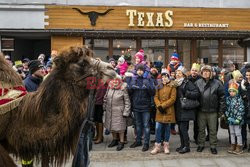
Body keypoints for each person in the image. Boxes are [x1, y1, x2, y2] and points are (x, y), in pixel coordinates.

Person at [195, 65, 225, 154]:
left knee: (213, 130)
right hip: (201, 111)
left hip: (213, 111)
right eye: (204, 71)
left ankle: (213, 146)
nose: (205, 73)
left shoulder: (217, 83)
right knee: (201, 129)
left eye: (207, 71)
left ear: (211, 72)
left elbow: (222, 97)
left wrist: (221, 111)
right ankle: (201, 144)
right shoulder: (198, 82)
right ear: (201, 73)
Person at [129, 64, 155, 152]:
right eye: (138, 70)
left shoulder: (148, 79)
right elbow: (130, 93)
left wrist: (148, 85)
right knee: (138, 125)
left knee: (146, 126)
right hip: (136, 106)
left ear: (144, 71)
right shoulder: (133, 79)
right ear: (136, 71)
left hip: (146, 106)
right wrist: (131, 87)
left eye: (141, 70)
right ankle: (138, 141)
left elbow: (153, 92)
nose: (140, 71)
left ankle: (146, 143)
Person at [175, 66, 200, 154]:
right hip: (178, 108)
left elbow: (196, 93)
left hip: (185, 109)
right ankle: (182, 145)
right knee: (180, 129)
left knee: (183, 129)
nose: (177, 74)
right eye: (176, 72)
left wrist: (187, 93)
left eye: (179, 72)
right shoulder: (176, 83)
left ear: (184, 75)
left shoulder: (187, 83)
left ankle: (187, 147)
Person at [151, 72, 176, 154]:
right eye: (163, 77)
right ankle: (157, 146)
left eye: (166, 77)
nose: (164, 78)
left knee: (167, 129)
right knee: (158, 128)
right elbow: (156, 97)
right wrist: (159, 105)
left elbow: (173, 99)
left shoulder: (172, 87)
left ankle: (166, 145)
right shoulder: (158, 86)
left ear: (168, 78)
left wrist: (163, 106)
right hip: (160, 111)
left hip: (168, 110)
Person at [103, 78, 131, 151]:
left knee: (120, 128)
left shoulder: (123, 89)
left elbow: (127, 101)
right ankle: (114, 140)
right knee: (112, 126)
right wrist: (104, 106)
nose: (115, 81)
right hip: (110, 111)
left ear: (119, 81)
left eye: (117, 80)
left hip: (119, 111)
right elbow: (105, 98)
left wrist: (126, 112)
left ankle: (121, 142)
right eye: (113, 80)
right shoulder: (109, 88)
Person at [225, 80, 245, 154]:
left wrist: (238, 119)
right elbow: (226, 109)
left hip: (237, 120)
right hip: (230, 119)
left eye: (233, 91)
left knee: (238, 133)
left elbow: (241, 109)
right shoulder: (228, 99)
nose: (231, 93)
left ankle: (239, 145)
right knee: (232, 133)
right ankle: (233, 145)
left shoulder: (239, 100)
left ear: (236, 92)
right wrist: (227, 116)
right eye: (230, 91)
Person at [188, 63, 201, 144]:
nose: (194, 72)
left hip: (198, 104)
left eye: (196, 71)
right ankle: (186, 139)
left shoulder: (201, 80)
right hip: (189, 103)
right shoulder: (187, 79)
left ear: (198, 72)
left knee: (197, 124)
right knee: (186, 123)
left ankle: (196, 138)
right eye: (193, 70)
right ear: (190, 71)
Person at [241, 69, 250, 151]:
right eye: (247, 75)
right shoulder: (243, 83)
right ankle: (244, 143)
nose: (248, 77)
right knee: (243, 127)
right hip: (244, 108)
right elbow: (241, 93)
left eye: (249, 75)